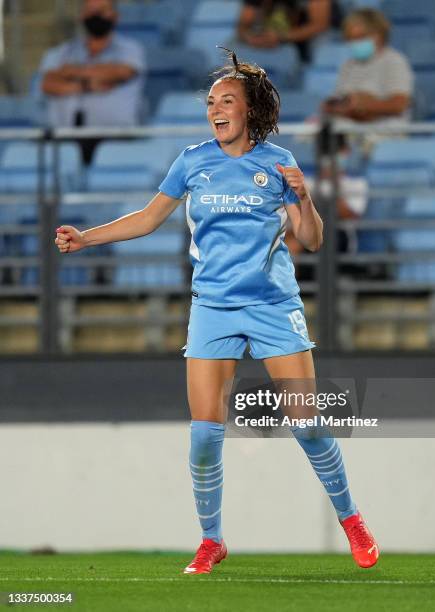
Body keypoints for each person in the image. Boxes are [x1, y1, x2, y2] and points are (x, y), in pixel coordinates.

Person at [54, 50, 379, 575]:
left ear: (251, 110)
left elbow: (312, 241)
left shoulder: (279, 165)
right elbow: (148, 218)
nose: (216, 109)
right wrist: (85, 238)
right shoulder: (192, 161)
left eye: (227, 100)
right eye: (211, 102)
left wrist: (306, 198)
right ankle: (212, 541)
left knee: (307, 424)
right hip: (213, 308)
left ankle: (352, 520)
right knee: (205, 433)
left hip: (273, 305)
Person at [39, 0, 146, 164]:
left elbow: (120, 72)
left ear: (115, 16)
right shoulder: (61, 53)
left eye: (102, 10)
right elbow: (48, 83)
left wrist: (69, 72)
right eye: (91, 11)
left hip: (115, 138)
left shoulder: (130, 49)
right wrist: (87, 85)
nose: (96, 16)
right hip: (64, 138)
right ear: (81, 16)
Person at [322, 8, 414, 123]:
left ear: (379, 35)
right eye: (350, 39)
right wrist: (334, 106)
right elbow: (341, 100)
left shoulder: (395, 61)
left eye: (360, 38)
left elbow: (400, 105)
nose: (354, 44)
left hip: (384, 132)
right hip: (350, 130)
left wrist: (364, 104)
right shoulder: (348, 65)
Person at [238, 0, 332, 63]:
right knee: (235, 45)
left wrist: (281, 37)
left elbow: (320, 25)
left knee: (322, 41)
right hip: (268, 38)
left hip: (302, 42)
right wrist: (250, 38)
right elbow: (243, 25)